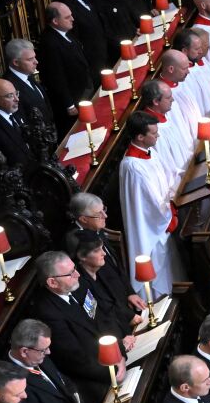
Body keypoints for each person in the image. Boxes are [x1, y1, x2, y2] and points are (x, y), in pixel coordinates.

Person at [31, 251, 131, 403]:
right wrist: (111, 371)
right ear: (52, 282)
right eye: (70, 273)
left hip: (116, 356)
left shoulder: (78, 285)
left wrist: (118, 352)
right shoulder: (47, 313)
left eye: (74, 268)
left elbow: (103, 318)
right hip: (93, 377)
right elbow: (74, 358)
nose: (77, 274)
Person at [5, 319, 92, 403]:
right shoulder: (14, 384)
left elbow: (68, 385)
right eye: (43, 350)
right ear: (24, 351)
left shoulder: (38, 356)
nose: (49, 352)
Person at [118, 111, 178, 300]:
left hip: (163, 216)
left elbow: (167, 178)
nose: (158, 135)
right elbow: (147, 205)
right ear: (140, 137)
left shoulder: (149, 153)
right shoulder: (132, 166)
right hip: (151, 228)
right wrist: (169, 214)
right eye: (153, 133)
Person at [69, 193, 146, 319]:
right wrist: (126, 314)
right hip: (113, 312)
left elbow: (117, 266)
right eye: (99, 214)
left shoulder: (97, 228)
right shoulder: (78, 242)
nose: (105, 216)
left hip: (123, 299)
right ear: (84, 219)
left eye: (103, 209)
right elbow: (99, 288)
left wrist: (129, 293)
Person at [67, 230, 139, 338]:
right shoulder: (80, 287)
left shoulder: (101, 268)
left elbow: (114, 302)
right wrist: (121, 341)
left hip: (125, 327)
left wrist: (130, 316)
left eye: (102, 248)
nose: (104, 253)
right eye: (97, 250)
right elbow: (98, 320)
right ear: (82, 256)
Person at [39, 2, 94, 138]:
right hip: (72, 100)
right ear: (55, 21)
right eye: (67, 17)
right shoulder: (50, 43)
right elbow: (56, 77)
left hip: (83, 91)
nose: (72, 19)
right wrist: (68, 104)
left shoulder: (66, 33)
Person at [2, 40, 53, 133]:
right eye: (30, 59)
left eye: (35, 57)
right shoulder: (8, 86)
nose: (36, 62)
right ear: (16, 62)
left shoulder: (27, 75)